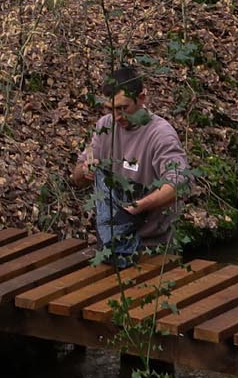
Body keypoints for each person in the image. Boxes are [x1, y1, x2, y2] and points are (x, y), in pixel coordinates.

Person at [67, 64, 190, 264]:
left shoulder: (160, 135)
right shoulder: (105, 126)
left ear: (141, 99)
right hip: (111, 242)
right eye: (110, 109)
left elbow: (178, 184)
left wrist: (140, 205)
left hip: (152, 247)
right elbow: (77, 178)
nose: (117, 116)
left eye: (124, 108)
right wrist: (85, 171)